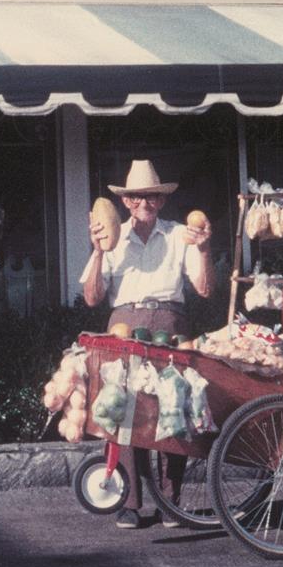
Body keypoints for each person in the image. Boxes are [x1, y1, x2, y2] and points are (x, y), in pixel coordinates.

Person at [80, 159, 213, 529]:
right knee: (126, 415)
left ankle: (172, 502)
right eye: (137, 197)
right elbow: (92, 298)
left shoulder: (177, 235)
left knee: (173, 410)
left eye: (151, 197)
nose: (144, 203)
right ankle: (131, 502)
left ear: (161, 200)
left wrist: (203, 249)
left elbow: (204, 289)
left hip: (170, 323)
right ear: (125, 202)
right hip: (123, 325)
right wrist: (97, 250)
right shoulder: (111, 237)